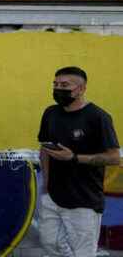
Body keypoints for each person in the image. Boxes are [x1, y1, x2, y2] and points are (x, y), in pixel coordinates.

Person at [37, 66, 120, 257]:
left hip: (85, 199)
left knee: (83, 252)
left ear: (81, 89)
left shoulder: (98, 117)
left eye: (65, 85)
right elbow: (45, 148)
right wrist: (46, 184)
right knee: (49, 243)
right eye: (55, 84)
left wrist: (73, 158)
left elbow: (114, 157)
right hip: (53, 195)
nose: (58, 89)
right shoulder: (50, 113)